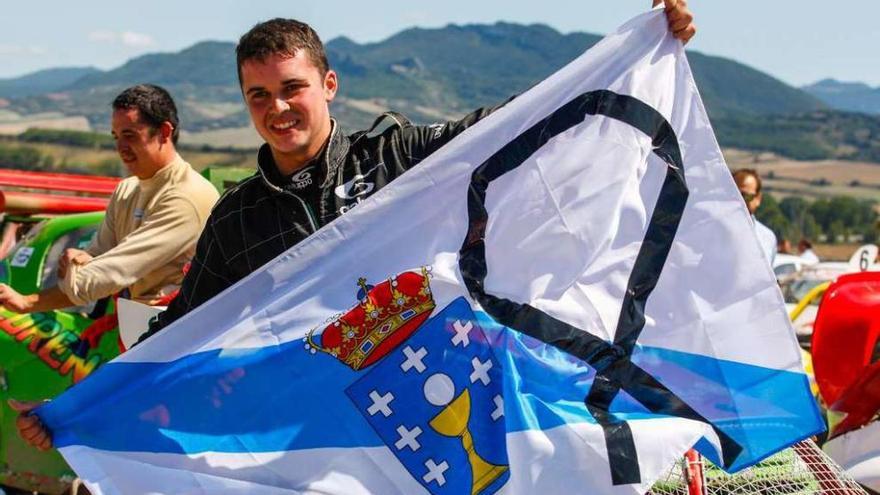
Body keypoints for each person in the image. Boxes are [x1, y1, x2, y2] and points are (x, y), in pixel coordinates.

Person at [13, 1, 696, 451]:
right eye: (259, 95)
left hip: (436, 403)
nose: (278, 107)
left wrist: (635, 54)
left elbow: (506, 125)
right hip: (318, 433)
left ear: (329, 84)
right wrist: (79, 404)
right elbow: (183, 329)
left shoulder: (399, 156)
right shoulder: (240, 215)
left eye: (292, 87)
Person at [8, 85, 220, 450]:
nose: (121, 146)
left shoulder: (188, 198)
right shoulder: (127, 191)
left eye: (131, 135)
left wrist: (80, 268)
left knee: (143, 451)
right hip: (139, 343)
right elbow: (92, 270)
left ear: (165, 132)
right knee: (121, 449)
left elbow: (100, 277)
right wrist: (28, 303)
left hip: (180, 352)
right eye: (116, 136)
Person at [732, 168, 776, 266]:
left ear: (758, 198)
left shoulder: (768, 238)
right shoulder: (713, 231)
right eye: (735, 195)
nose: (741, 201)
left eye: (746, 196)